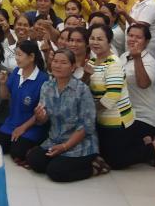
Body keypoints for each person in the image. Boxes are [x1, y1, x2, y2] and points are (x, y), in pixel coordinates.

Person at [26, 48, 100, 182]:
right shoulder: (47, 86)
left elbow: (86, 126)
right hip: (55, 140)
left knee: (56, 172)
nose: (57, 65)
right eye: (55, 61)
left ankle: (94, 167)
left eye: (63, 63)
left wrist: (65, 147)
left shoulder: (82, 90)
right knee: (35, 161)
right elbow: (44, 119)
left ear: (73, 67)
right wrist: (39, 116)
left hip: (79, 143)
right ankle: (60, 159)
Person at [85, 25, 135, 171]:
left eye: (100, 39)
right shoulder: (92, 62)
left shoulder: (114, 63)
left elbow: (111, 97)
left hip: (117, 120)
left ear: (109, 41)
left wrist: (89, 111)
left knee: (117, 163)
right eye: (92, 38)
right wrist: (86, 75)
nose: (95, 42)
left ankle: (151, 147)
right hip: (100, 119)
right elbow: (83, 88)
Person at [119, 24, 155, 168]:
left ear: (146, 42)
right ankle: (149, 140)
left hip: (145, 117)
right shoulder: (123, 56)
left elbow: (143, 83)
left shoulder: (149, 61)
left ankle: (154, 148)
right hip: (127, 114)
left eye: (138, 37)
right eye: (130, 36)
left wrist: (137, 58)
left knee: (118, 157)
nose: (133, 39)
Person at [0, 41, 48, 163]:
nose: (16, 58)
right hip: (12, 123)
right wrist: (3, 84)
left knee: (17, 153)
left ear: (32, 57)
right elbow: (4, 96)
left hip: (31, 126)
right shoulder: (16, 72)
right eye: (16, 54)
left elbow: (41, 112)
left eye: (19, 55)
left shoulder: (43, 79)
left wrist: (23, 128)